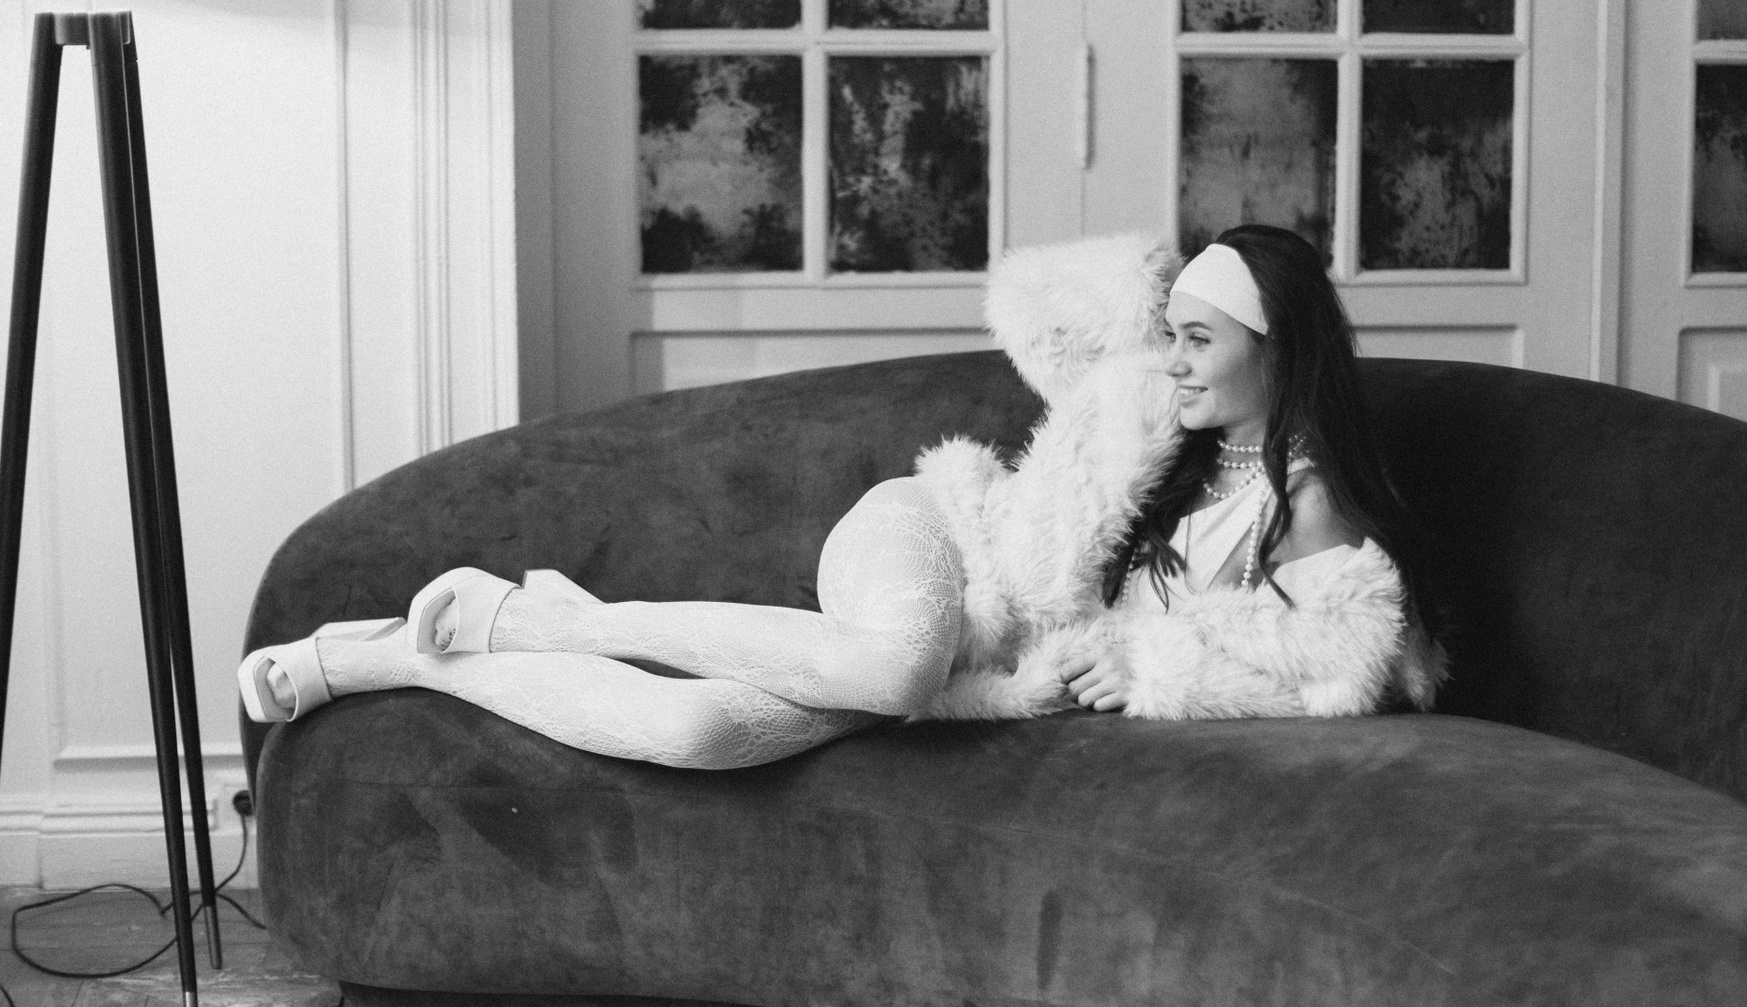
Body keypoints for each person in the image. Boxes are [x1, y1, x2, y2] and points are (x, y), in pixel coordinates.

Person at [239, 232, 1188, 768]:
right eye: (1179, 331)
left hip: (979, 653)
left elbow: (1252, 645)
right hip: (936, 533)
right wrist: (1160, 283)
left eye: (1203, 339)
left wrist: (1131, 668)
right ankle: (548, 620)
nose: (1183, 357)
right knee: (900, 670)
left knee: (696, 732)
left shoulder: (1268, 503)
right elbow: (1041, 302)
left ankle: (408, 660)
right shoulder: (1139, 392)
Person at [1054, 224, 1445, 720]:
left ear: (1278, 349)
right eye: (1173, 336)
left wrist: (1154, 672)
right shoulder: (1162, 458)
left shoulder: (1308, 504)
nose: (1173, 363)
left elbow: (1334, 682)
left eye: (1199, 340)